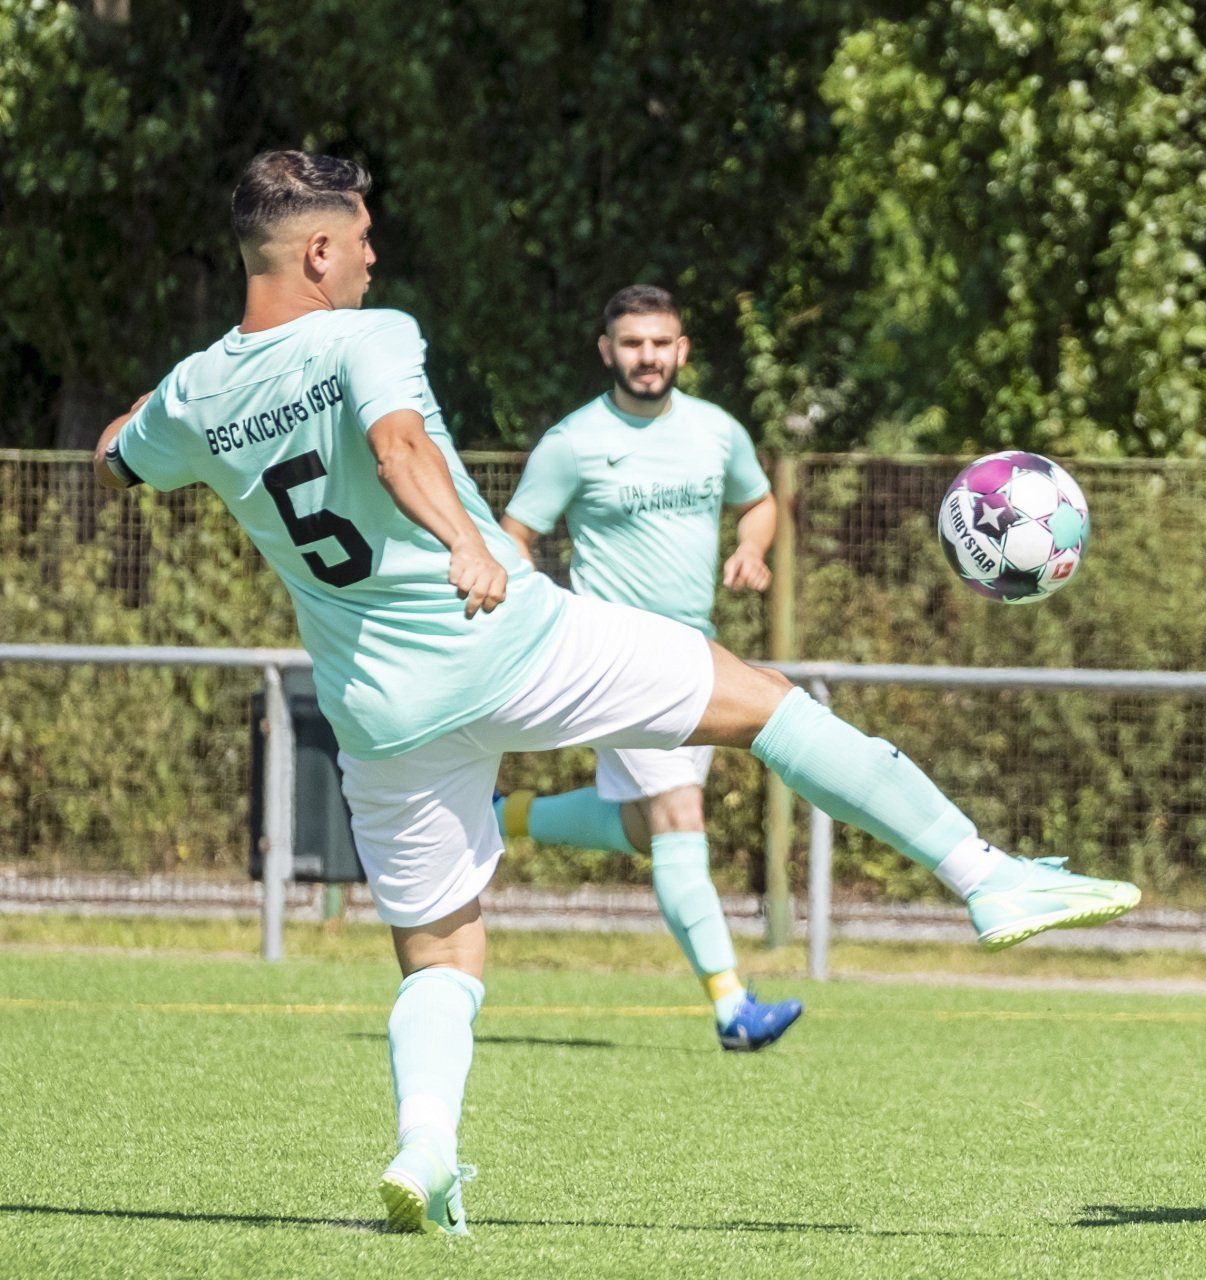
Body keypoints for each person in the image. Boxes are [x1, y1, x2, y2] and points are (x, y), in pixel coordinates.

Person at [93, 150, 1141, 1237]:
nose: (372, 258)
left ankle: (426, 1147)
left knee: (440, 953)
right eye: (360, 240)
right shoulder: (370, 334)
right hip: (505, 638)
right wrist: (466, 542)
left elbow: (118, 454)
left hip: (379, 711)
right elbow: (397, 445)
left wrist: (167, 403)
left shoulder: (199, 390)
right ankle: (984, 876)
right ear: (317, 251)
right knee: (764, 704)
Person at [494, 284, 799, 1053]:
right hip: (615, 657)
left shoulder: (716, 431)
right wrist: (540, 619)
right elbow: (513, 537)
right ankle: (732, 1006)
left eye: (661, 343)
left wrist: (751, 548)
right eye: (632, 343)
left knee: (645, 829)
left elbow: (760, 502)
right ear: (607, 350)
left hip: (696, 654)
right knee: (679, 816)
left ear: (682, 349)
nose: (648, 357)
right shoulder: (573, 442)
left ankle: (500, 816)